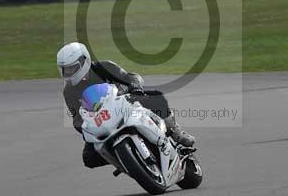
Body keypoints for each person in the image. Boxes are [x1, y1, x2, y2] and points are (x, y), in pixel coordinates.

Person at [56, 42, 195, 168]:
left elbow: (131, 77)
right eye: (65, 70)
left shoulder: (103, 67)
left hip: (124, 104)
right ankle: (125, 160)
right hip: (101, 121)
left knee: (156, 97)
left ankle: (175, 132)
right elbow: (77, 118)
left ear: (84, 61)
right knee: (89, 158)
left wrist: (134, 86)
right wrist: (86, 129)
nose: (68, 73)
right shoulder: (69, 91)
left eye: (72, 68)